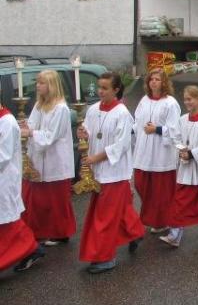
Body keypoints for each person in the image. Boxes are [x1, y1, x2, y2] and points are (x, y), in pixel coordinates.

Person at [78, 72, 145, 274]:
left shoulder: (122, 113)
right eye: (99, 87)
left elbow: (121, 145)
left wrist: (95, 158)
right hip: (98, 170)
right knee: (117, 211)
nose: (100, 91)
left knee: (104, 217)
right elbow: (89, 134)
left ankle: (106, 257)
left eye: (105, 88)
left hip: (114, 172)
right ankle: (135, 232)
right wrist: (82, 134)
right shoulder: (92, 110)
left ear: (116, 90)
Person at [20, 70, 76, 246]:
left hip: (55, 161)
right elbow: (32, 125)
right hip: (37, 159)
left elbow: (50, 136)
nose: (38, 86)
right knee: (35, 199)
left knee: (55, 201)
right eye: (37, 82)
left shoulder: (61, 109)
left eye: (42, 83)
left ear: (51, 86)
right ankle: (37, 231)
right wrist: (23, 127)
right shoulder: (39, 105)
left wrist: (29, 132)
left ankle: (61, 233)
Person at [159, 86, 198, 247]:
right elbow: (176, 138)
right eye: (185, 99)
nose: (186, 102)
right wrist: (181, 150)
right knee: (180, 201)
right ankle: (175, 234)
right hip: (186, 168)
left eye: (189, 99)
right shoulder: (183, 119)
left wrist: (192, 153)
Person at [132, 68, 181, 234]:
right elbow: (137, 122)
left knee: (161, 192)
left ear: (164, 82)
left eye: (157, 79)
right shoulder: (144, 100)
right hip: (143, 152)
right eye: (151, 79)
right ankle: (152, 217)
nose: (153, 82)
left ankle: (163, 220)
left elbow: (175, 130)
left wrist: (157, 129)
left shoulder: (170, 103)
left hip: (161, 153)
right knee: (141, 184)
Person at [0, 100, 45, 272]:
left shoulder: (7, 123)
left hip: (4, 179)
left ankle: (30, 248)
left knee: (8, 222)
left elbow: (3, 156)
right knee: (9, 223)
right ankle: (31, 249)